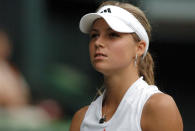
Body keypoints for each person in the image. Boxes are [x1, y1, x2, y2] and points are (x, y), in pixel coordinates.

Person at [70, 1, 183, 131]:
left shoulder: (160, 107)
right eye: (94, 35)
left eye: (113, 34)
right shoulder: (80, 119)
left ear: (139, 48)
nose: (98, 42)